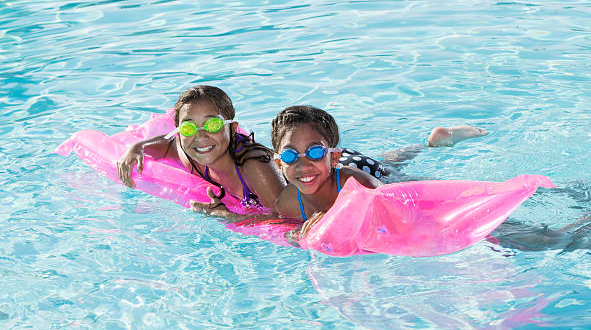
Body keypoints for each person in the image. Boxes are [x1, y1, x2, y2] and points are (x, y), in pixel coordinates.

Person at [270, 105, 487, 237]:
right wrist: (297, 235)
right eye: (290, 155)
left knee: (395, 174)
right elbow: (289, 233)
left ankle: (433, 144)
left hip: (359, 170)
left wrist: (333, 216)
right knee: (391, 160)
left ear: (333, 156)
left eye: (314, 151)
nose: (302, 164)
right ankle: (426, 144)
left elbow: (392, 205)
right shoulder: (287, 203)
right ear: (279, 163)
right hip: (331, 166)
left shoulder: (353, 182)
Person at [116, 85, 286, 215]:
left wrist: (230, 216)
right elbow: (168, 146)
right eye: (189, 128)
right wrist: (138, 147)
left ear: (232, 129)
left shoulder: (254, 167)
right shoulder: (191, 155)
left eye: (212, 125)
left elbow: (284, 218)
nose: (200, 136)